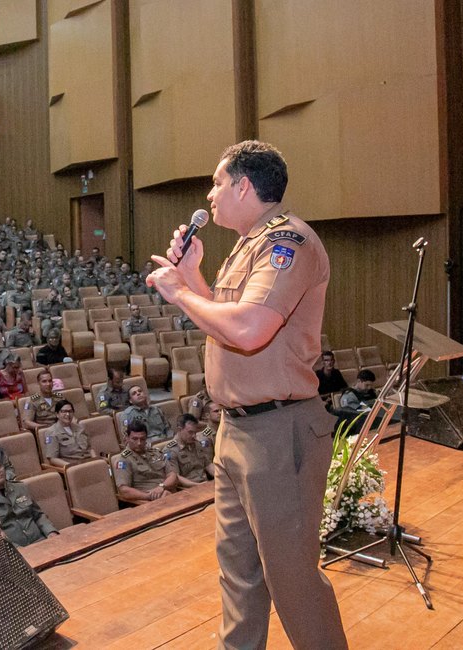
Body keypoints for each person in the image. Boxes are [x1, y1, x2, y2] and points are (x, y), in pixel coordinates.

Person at [145, 140, 346, 648]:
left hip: (279, 433)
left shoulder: (289, 242)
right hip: (236, 429)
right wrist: (192, 273)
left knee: (292, 584)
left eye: (216, 183)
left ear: (244, 186)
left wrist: (181, 292)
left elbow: (253, 329)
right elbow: (227, 323)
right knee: (239, 580)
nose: (210, 195)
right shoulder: (247, 245)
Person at [0, 454, 57, 547]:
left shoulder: (20, 487)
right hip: (11, 552)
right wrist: (14, 550)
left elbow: (38, 515)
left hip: (41, 542)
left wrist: (50, 532)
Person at [113, 421, 178, 501]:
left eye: (142, 439)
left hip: (168, 493)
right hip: (147, 501)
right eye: (135, 439)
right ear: (127, 438)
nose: (139, 443)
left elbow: (172, 475)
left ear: (146, 438)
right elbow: (124, 491)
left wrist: (162, 486)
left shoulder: (156, 452)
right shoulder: (123, 460)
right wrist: (151, 496)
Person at [40, 400, 96, 467]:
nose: (68, 414)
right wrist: (70, 467)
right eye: (64, 411)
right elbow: (52, 459)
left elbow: (90, 449)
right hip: (73, 467)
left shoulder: (79, 428)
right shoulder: (52, 432)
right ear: (57, 414)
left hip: (90, 463)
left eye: (70, 411)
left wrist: (96, 461)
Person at [162, 414, 214, 485]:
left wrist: (219, 476)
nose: (193, 436)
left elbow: (208, 465)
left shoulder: (197, 444)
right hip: (187, 488)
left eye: (195, 432)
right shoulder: (170, 450)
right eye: (190, 432)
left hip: (205, 482)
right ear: (180, 429)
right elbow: (175, 477)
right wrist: (197, 485)